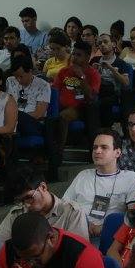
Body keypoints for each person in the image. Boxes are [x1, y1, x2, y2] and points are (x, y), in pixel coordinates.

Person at [64, 131, 135, 242]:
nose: (97, 151)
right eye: (95, 147)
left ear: (117, 152)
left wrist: (103, 227)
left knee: (115, 220)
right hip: (80, 231)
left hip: (111, 235)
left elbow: (133, 214)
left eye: (104, 147)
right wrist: (85, 224)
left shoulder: (130, 177)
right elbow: (64, 205)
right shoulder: (83, 175)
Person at [0, 169, 90, 242]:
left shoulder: (72, 213)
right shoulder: (18, 212)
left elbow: (79, 252)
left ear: (43, 187)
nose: (26, 204)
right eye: (20, 201)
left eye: (29, 197)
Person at [52, 40, 102, 175]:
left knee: (63, 116)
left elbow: (91, 97)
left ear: (87, 57)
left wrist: (81, 76)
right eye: (73, 54)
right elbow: (55, 92)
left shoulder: (93, 74)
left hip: (80, 108)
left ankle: (58, 153)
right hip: (60, 106)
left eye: (79, 55)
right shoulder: (63, 71)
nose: (74, 57)